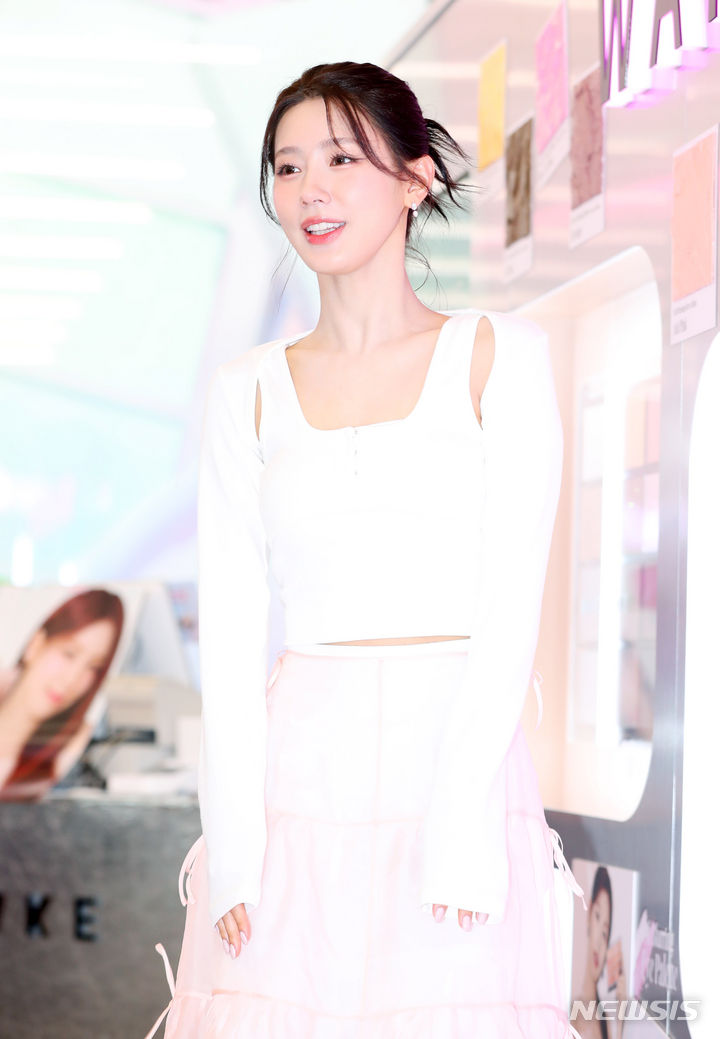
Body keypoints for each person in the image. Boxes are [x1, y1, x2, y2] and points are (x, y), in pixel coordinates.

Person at [146, 60, 587, 1038]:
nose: (312, 188)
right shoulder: (246, 389)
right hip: (297, 776)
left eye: (343, 158)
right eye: (289, 166)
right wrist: (234, 841)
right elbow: (231, 640)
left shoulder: (498, 357)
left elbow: (510, 611)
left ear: (416, 177)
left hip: (453, 759)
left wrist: (463, 817)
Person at [0, 587, 124, 800]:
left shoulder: (69, 744)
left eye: (93, 667)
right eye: (69, 654)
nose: (72, 679)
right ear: (36, 644)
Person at [573, 866, 627, 1039]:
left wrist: (620, 1018)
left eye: (605, 933)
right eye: (597, 916)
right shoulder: (574, 1015)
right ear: (589, 913)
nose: (599, 943)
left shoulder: (602, 1016)